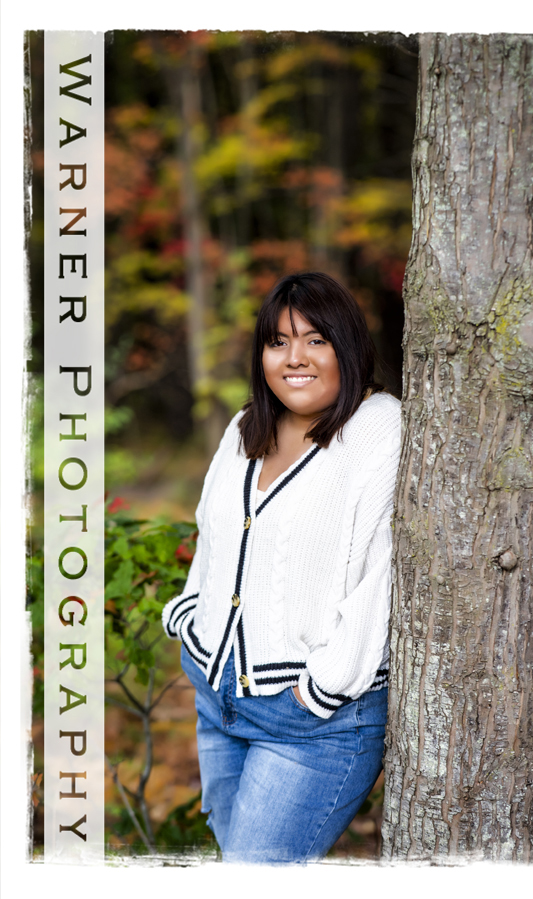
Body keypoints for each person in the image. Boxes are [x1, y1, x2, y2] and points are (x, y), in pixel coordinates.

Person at [162, 271, 402, 864]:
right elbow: (213, 534)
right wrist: (191, 621)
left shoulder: (378, 428)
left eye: (315, 339)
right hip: (217, 697)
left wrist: (322, 690)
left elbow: (383, 574)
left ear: (346, 345)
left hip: (312, 723)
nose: (295, 358)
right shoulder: (246, 427)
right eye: (278, 342)